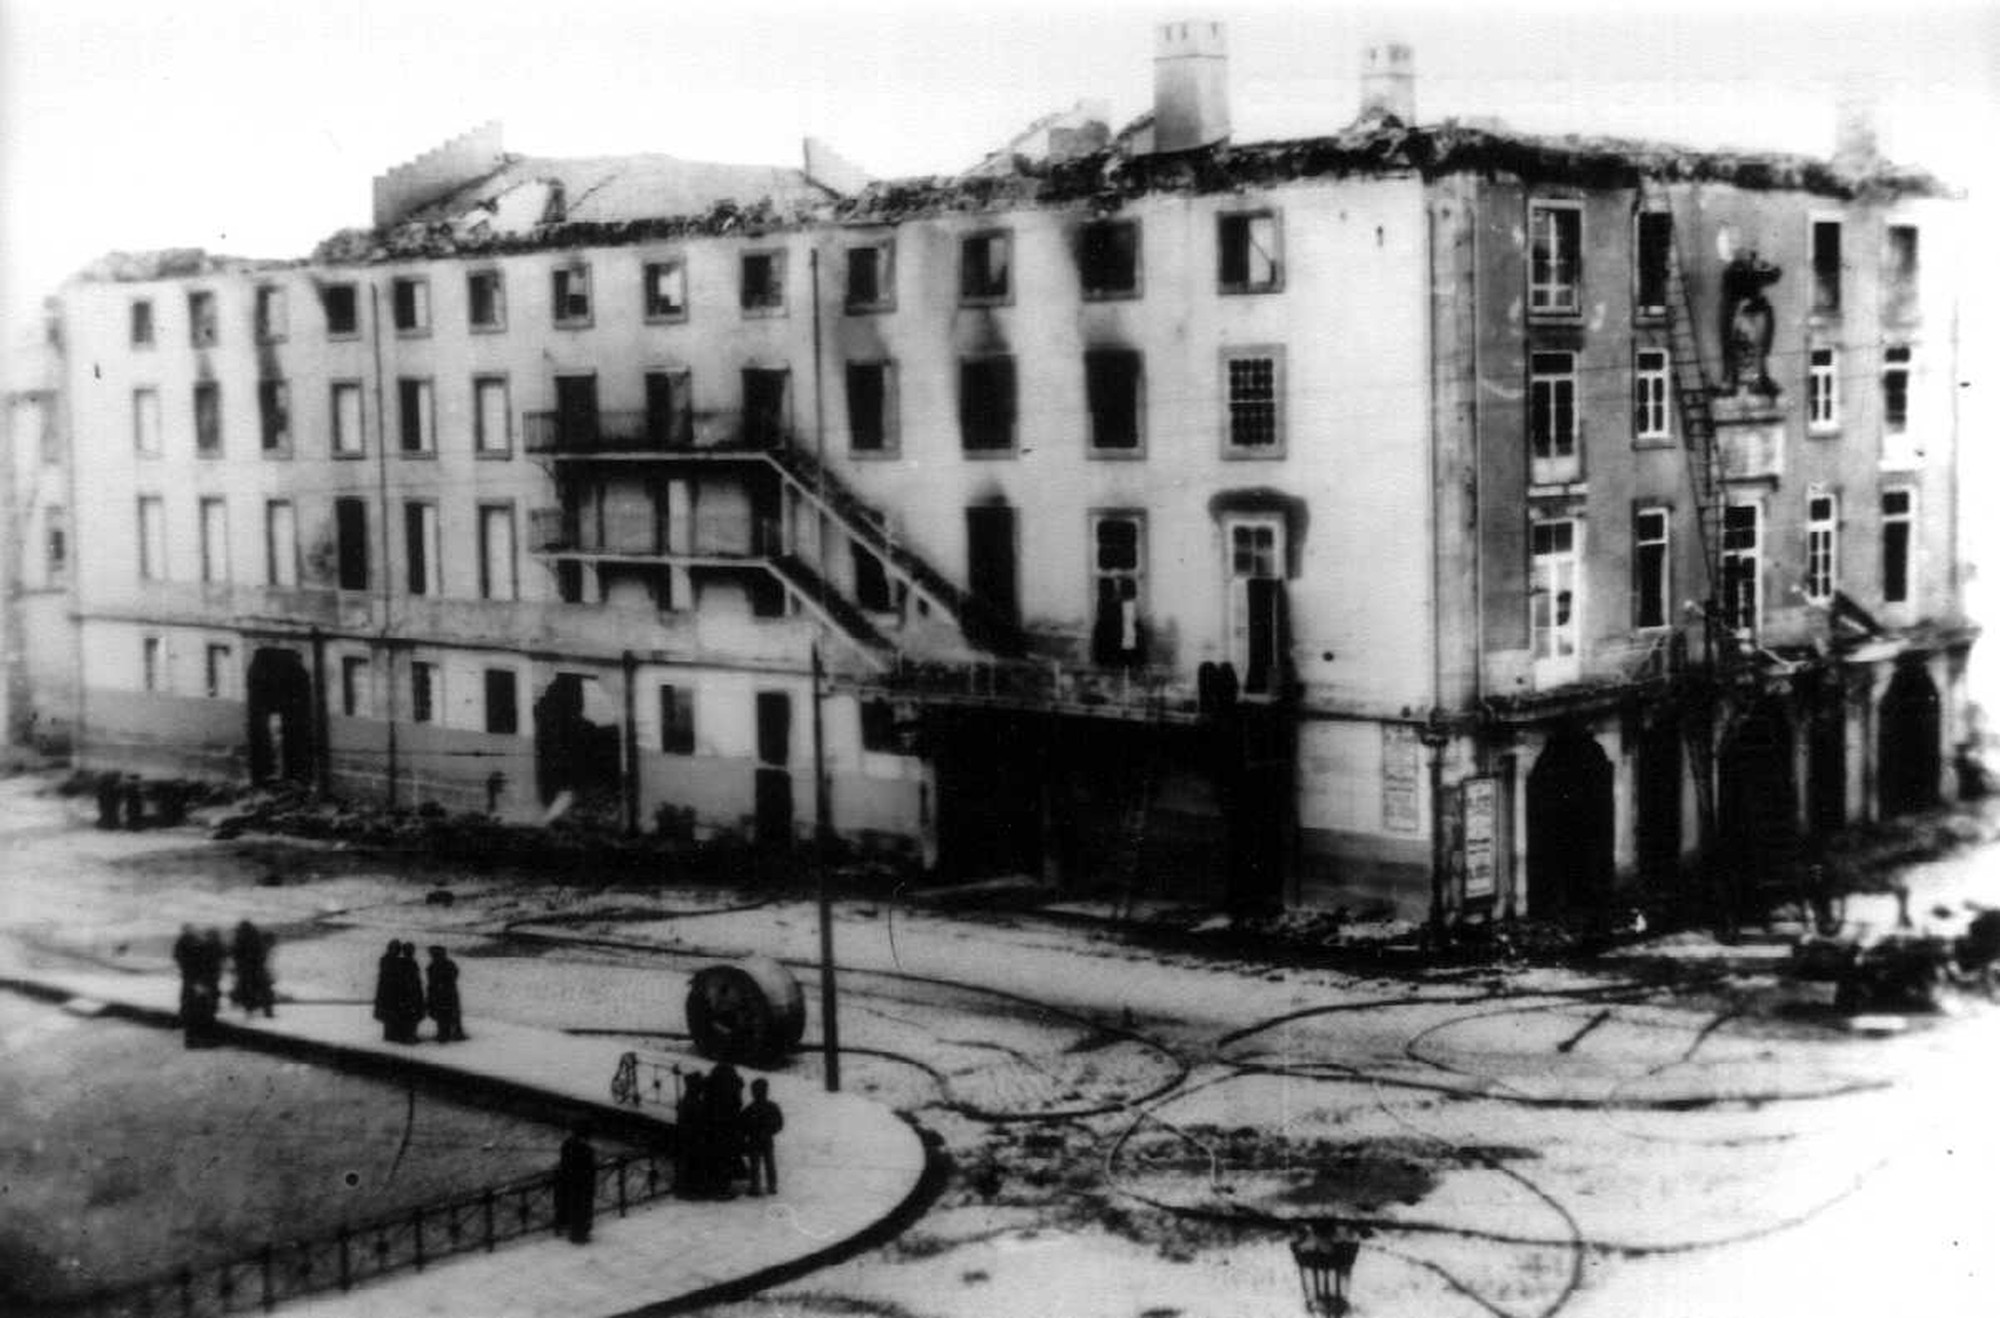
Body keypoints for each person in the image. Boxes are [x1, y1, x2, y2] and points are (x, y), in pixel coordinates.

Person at [554, 1122, 597, 1244]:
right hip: (582, 1183)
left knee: (571, 1206)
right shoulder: (587, 1150)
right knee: (582, 1208)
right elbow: (590, 1169)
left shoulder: (567, 1144)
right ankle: (580, 1233)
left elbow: (564, 1163)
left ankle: (568, 1228)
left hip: (569, 1182)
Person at [707, 1061, 745, 1188]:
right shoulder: (732, 1077)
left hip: (718, 1120)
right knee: (729, 1150)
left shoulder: (717, 1074)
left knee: (721, 1151)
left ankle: (722, 1181)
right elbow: (738, 1101)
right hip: (730, 1120)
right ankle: (725, 1181)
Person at [742, 1078, 783, 1197]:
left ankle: (760, 1186)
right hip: (763, 1140)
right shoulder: (770, 1107)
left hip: (758, 1140)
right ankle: (769, 1186)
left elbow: (778, 1123)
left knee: (760, 1164)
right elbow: (779, 1123)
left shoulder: (751, 1108)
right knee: (764, 1163)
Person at [675, 1071, 711, 1198]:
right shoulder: (693, 1102)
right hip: (693, 1138)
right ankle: (691, 1189)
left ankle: (688, 1188)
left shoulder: (688, 1100)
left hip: (689, 1137)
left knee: (689, 1163)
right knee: (692, 1163)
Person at [231, 920, 275, 1018]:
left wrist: (239, 967)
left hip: (246, 970)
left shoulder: (239, 939)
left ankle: (249, 1010)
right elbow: (262, 954)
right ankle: (268, 1011)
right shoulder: (256, 937)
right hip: (258, 968)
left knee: (247, 990)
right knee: (264, 990)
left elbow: (236, 955)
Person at [425, 945, 465, 1042]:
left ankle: (447, 1034)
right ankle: (452, 1033)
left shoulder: (433, 966)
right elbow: (455, 975)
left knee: (445, 1015)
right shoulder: (444, 965)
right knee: (448, 1015)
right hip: (447, 994)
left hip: (444, 994)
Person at [393, 942, 425, 1043]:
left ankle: (407, 1035)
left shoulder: (402, 962)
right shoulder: (408, 963)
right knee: (410, 1016)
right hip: (409, 994)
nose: (412, 952)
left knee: (409, 1015)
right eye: (410, 950)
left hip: (406, 994)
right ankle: (409, 1036)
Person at [172, 924, 201, 1028]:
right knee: (192, 992)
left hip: (187, 971)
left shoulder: (182, 940)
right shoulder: (195, 940)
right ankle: (192, 1015)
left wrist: (182, 964)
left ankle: (184, 1016)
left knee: (186, 992)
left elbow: (176, 955)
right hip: (195, 971)